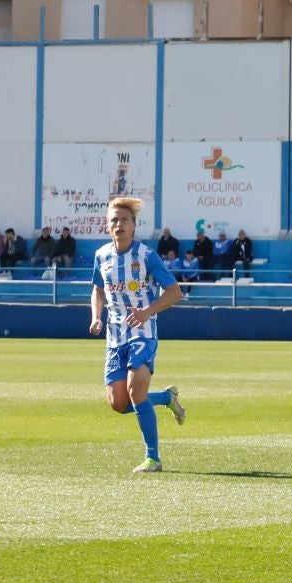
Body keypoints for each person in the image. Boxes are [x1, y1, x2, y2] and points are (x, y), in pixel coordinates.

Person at [87, 197, 186, 473]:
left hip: (142, 332)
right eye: (114, 220)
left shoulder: (146, 256)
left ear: (134, 226)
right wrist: (96, 317)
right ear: (108, 226)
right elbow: (97, 290)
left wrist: (147, 312)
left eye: (124, 220)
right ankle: (167, 398)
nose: (119, 224)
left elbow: (175, 292)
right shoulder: (102, 256)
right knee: (119, 403)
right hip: (114, 337)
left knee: (134, 388)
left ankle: (153, 458)